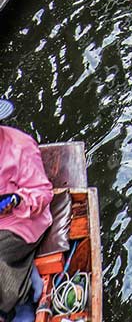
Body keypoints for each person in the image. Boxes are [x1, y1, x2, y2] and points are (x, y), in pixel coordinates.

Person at [0, 104, 55, 319]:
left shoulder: (19, 146)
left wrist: (17, 200)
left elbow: (42, 191)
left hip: (22, 220)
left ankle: (11, 303)